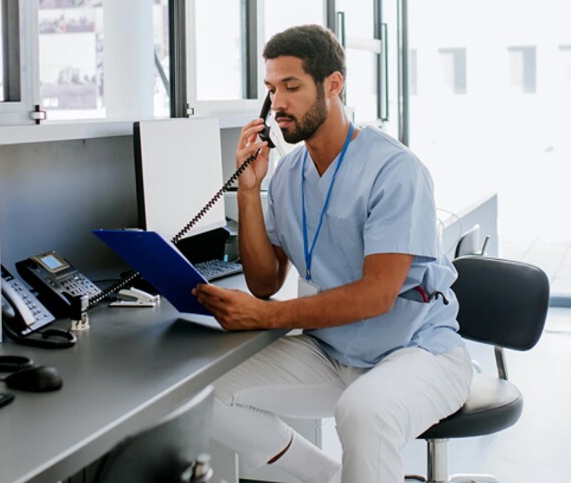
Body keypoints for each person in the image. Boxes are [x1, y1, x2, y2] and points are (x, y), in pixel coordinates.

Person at [192, 24, 472, 483]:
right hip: (333, 350)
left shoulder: (394, 169)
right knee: (207, 390)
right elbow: (265, 282)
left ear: (333, 85)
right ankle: (329, 477)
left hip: (418, 352)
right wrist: (248, 189)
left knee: (363, 413)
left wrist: (264, 317)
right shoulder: (286, 175)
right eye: (270, 89)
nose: (278, 103)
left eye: (291, 87)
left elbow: (376, 296)